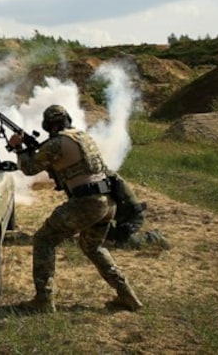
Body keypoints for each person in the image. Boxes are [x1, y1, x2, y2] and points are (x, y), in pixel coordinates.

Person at [8, 105, 143, 313]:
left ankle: (43, 300)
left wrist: (18, 147)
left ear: (48, 125)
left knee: (44, 240)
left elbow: (29, 168)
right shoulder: (82, 137)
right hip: (107, 202)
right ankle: (127, 295)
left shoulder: (56, 143)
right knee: (93, 247)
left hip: (86, 203)